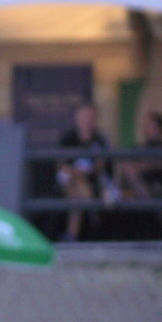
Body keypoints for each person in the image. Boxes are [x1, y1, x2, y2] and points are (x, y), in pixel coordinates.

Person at [57, 103, 111, 241]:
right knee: (75, 183)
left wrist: (84, 173)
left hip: (91, 180)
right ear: (77, 118)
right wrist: (76, 172)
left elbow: (101, 165)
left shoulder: (100, 138)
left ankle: (71, 235)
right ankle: (92, 212)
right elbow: (61, 164)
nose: (87, 119)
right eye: (84, 116)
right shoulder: (68, 137)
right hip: (69, 178)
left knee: (76, 196)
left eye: (91, 116)